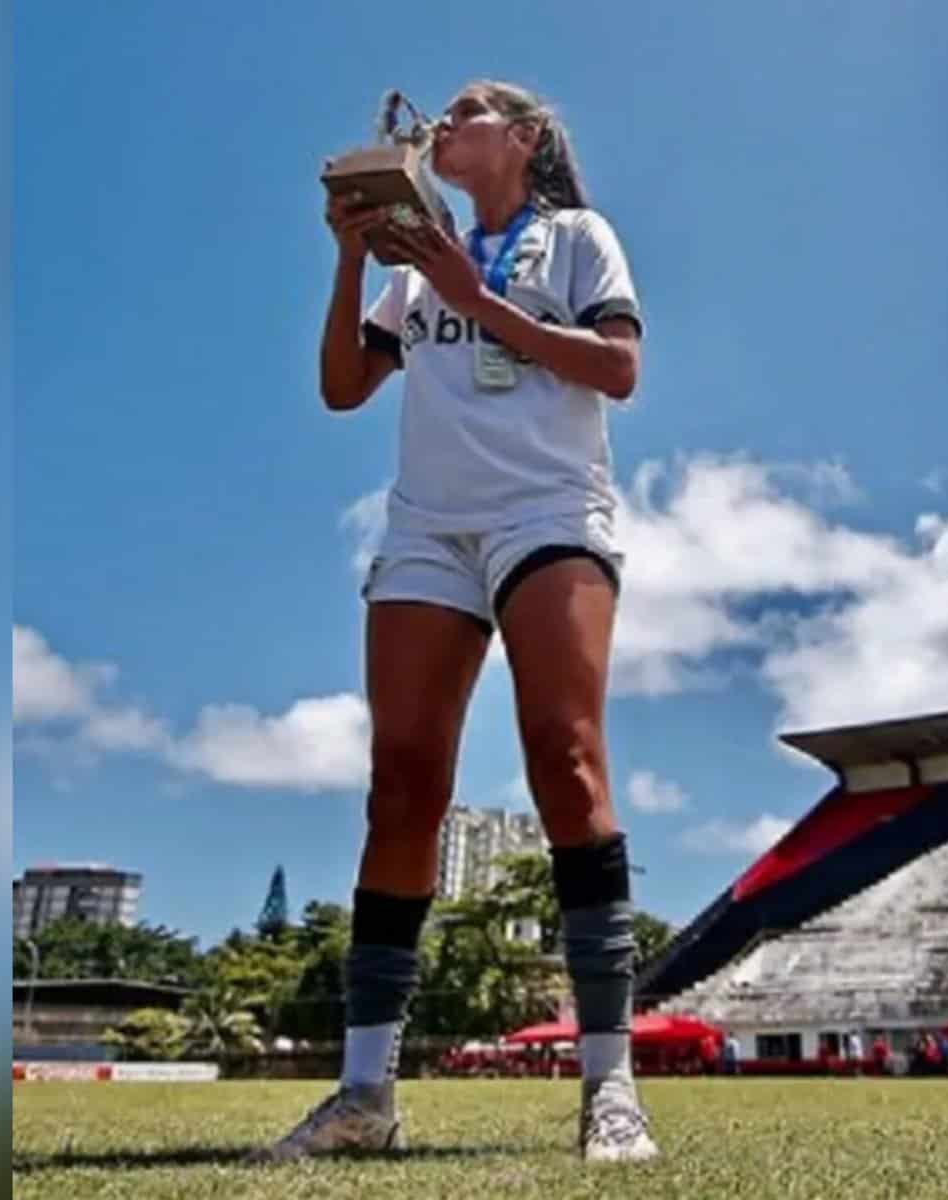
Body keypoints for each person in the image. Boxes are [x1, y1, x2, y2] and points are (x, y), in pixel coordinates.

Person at [254, 79, 654, 1165]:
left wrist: (470, 297)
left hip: (548, 512)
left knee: (565, 759)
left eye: (475, 107)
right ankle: (363, 1094)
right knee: (404, 782)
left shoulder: (574, 236)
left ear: (524, 139)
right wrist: (350, 258)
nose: (448, 115)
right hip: (429, 527)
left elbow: (618, 368)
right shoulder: (418, 254)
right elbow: (344, 389)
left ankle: (608, 1086)